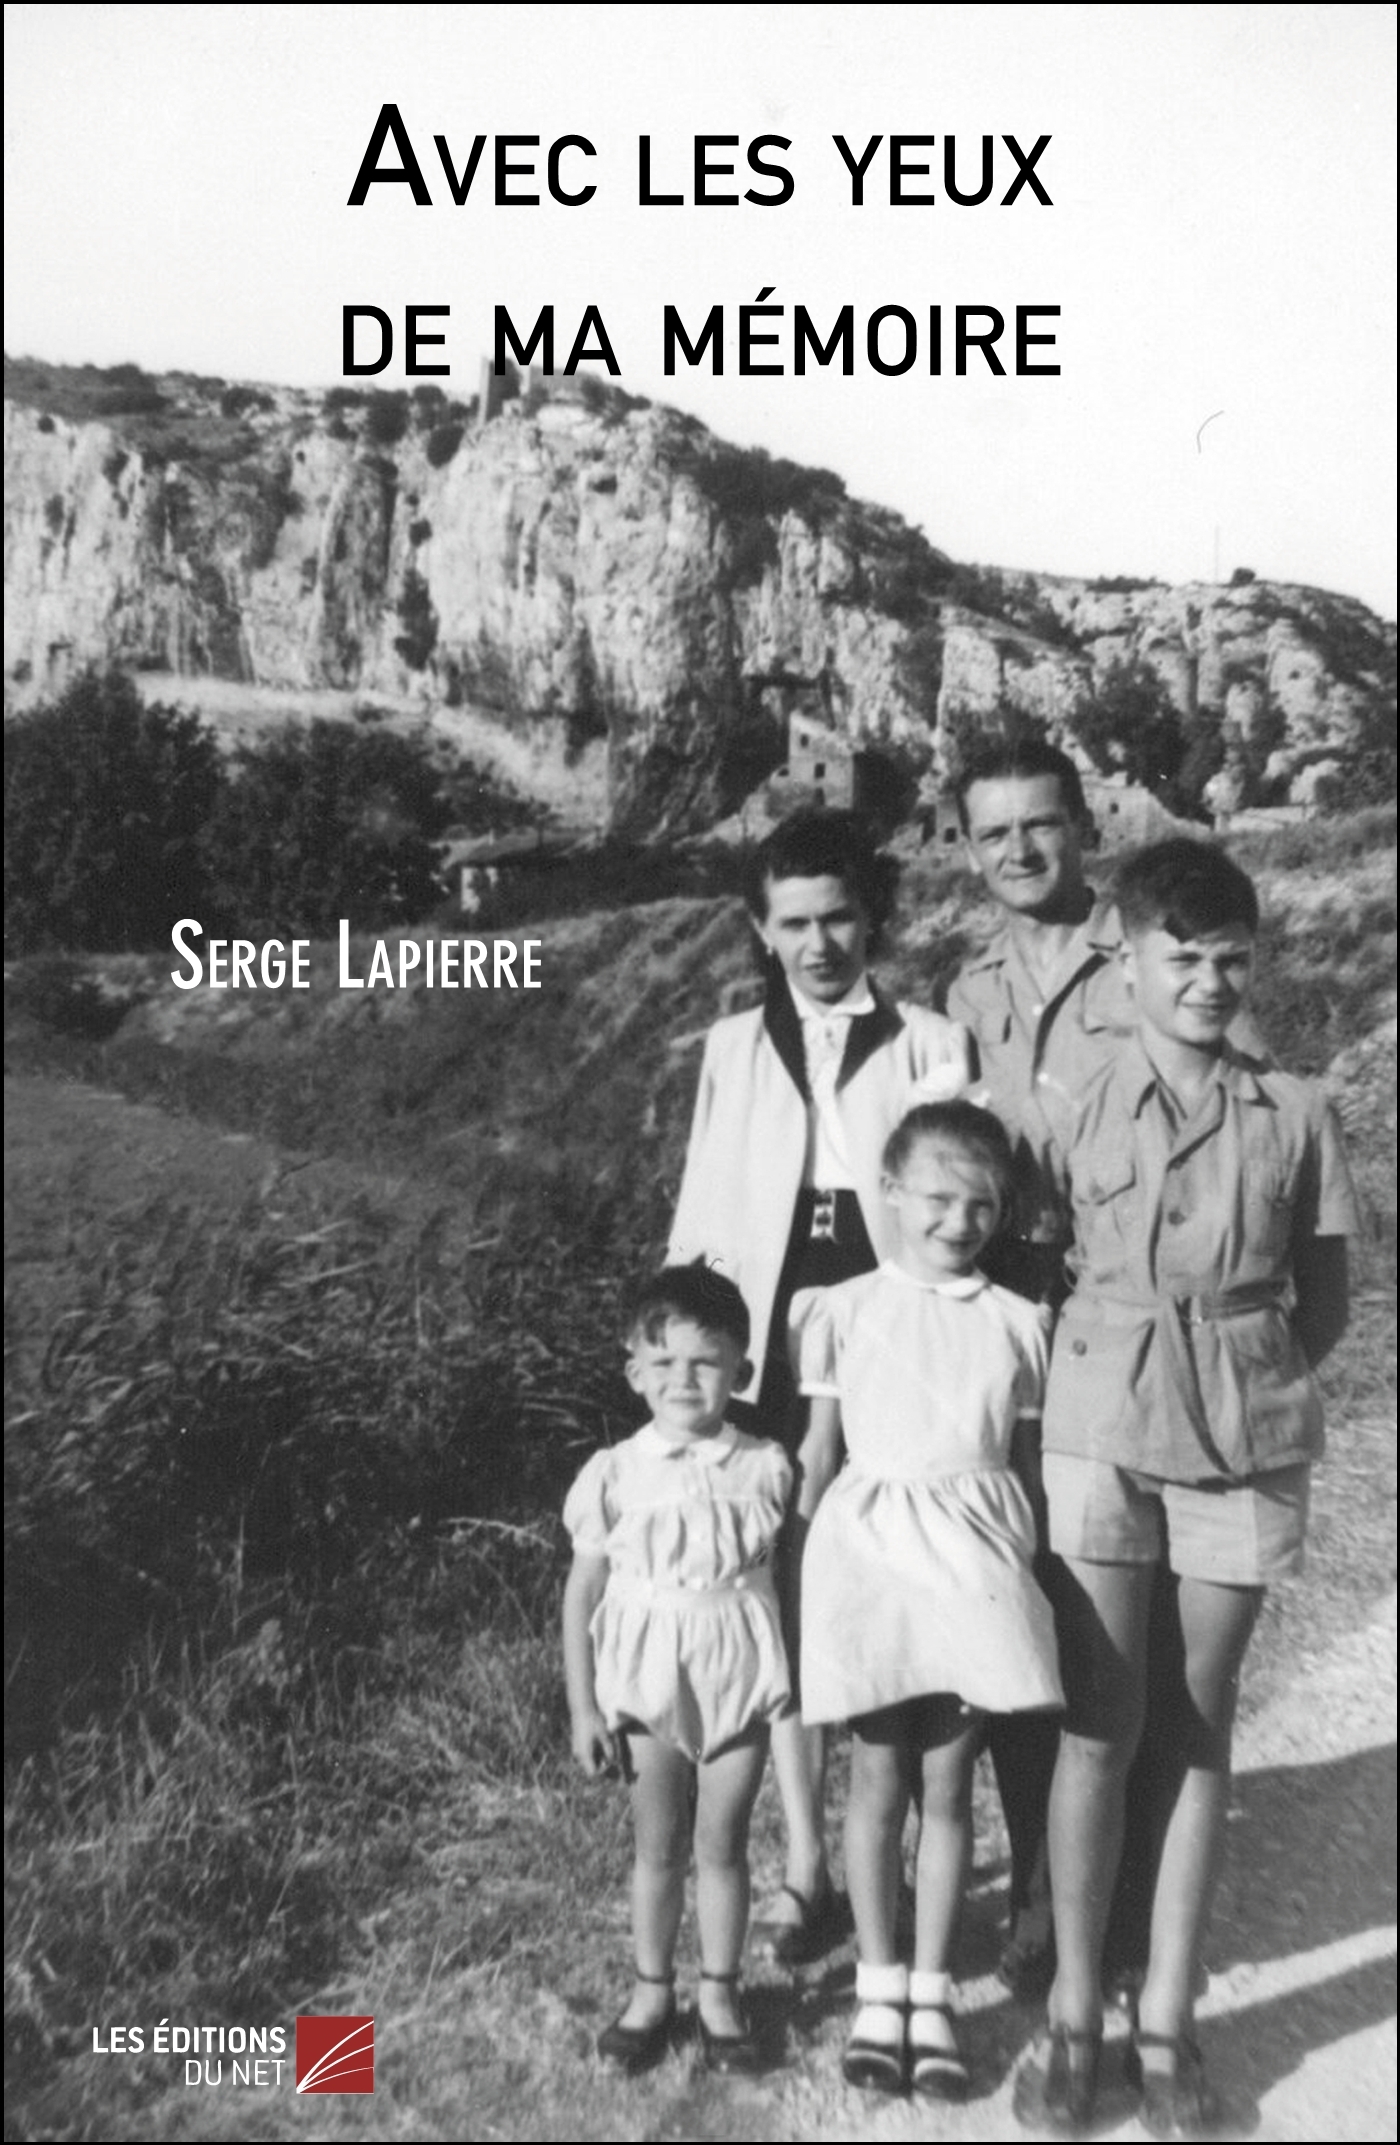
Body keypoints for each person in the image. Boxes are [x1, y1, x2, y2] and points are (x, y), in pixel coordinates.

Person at [1013, 839, 1358, 2138]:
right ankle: (1071, 2016)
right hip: (1101, 1418)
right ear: (1128, 960)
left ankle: (1165, 2020)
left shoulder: (1297, 1111)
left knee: (1196, 1722)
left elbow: (1322, 1300)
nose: (1210, 982)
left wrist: (1240, 1372)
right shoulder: (1073, 1102)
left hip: (1245, 1426)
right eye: (1183, 958)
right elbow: (1033, 1257)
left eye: (1231, 960)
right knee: (1099, 1722)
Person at [669, 807, 973, 1962]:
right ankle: (804, 1864)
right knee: (778, 1596)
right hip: (767, 1340)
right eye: (791, 923)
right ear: (759, 930)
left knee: (889, 1587)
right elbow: (702, 1214)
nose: (817, 944)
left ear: (871, 917)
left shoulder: (930, 1042)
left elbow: (956, 1208)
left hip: (888, 1333)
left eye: (837, 917)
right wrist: (690, 1375)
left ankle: (885, 1845)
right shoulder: (730, 1048)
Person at [946, 734, 1189, 2000]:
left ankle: (1129, 1906)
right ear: (966, 849)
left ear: (1084, 826)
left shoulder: (1146, 953)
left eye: (1040, 824)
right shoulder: (967, 990)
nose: (1019, 850)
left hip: (1118, 1310)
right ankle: (1041, 1894)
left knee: (1117, 1617)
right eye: (992, 833)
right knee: (1015, 1601)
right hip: (1006, 1309)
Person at [792, 1102, 1063, 2096]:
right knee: (876, 1779)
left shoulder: (1016, 1322)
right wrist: (803, 1599)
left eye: (981, 1205)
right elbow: (818, 1456)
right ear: (891, 1191)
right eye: (938, 1199)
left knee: (949, 1786)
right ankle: (878, 1990)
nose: (959, 1221)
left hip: (974, 1567)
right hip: (870, 1563)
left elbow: (1025, 1469)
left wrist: (1030, 1578)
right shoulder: (841, 1308)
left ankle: (933, 1993)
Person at [562, 1265, 791, 2076]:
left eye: (706, 1361)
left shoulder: (765, 1465)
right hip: (647, 1675)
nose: (684, 1380)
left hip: (737, 1668)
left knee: (723, 1841)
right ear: (635, 1372)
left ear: (741, 1370)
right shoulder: (615, 1472)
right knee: (658, 1845)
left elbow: (783, 1577)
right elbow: (582, 1591)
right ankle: (651, 1992)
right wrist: (584, 1707)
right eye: (664, 1363)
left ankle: (721, 1993)